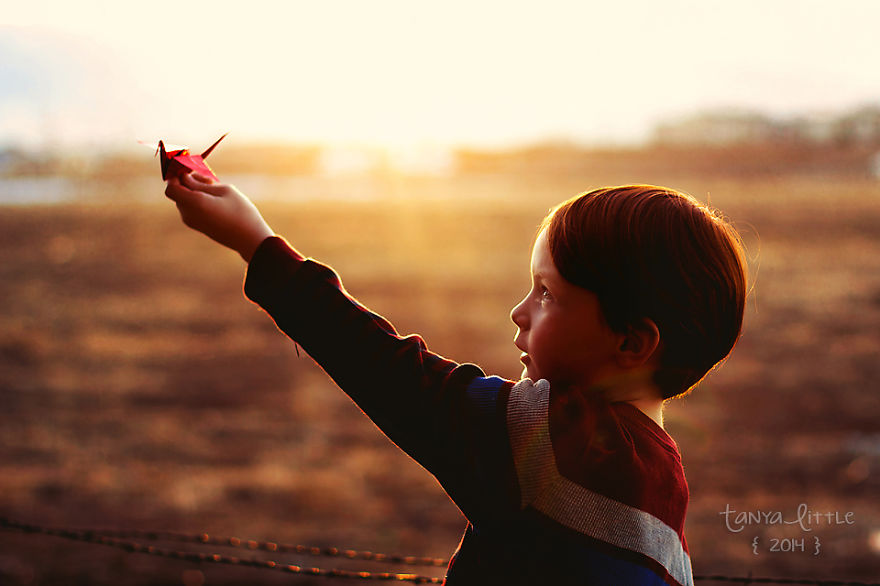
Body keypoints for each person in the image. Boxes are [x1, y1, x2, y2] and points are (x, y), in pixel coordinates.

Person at [164, 173, 748, 586]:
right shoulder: (663, 480)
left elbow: (391, 372)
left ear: (632, 343)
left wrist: (255, 242)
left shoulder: (556, 445)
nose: (519, 311)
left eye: (547, 295)